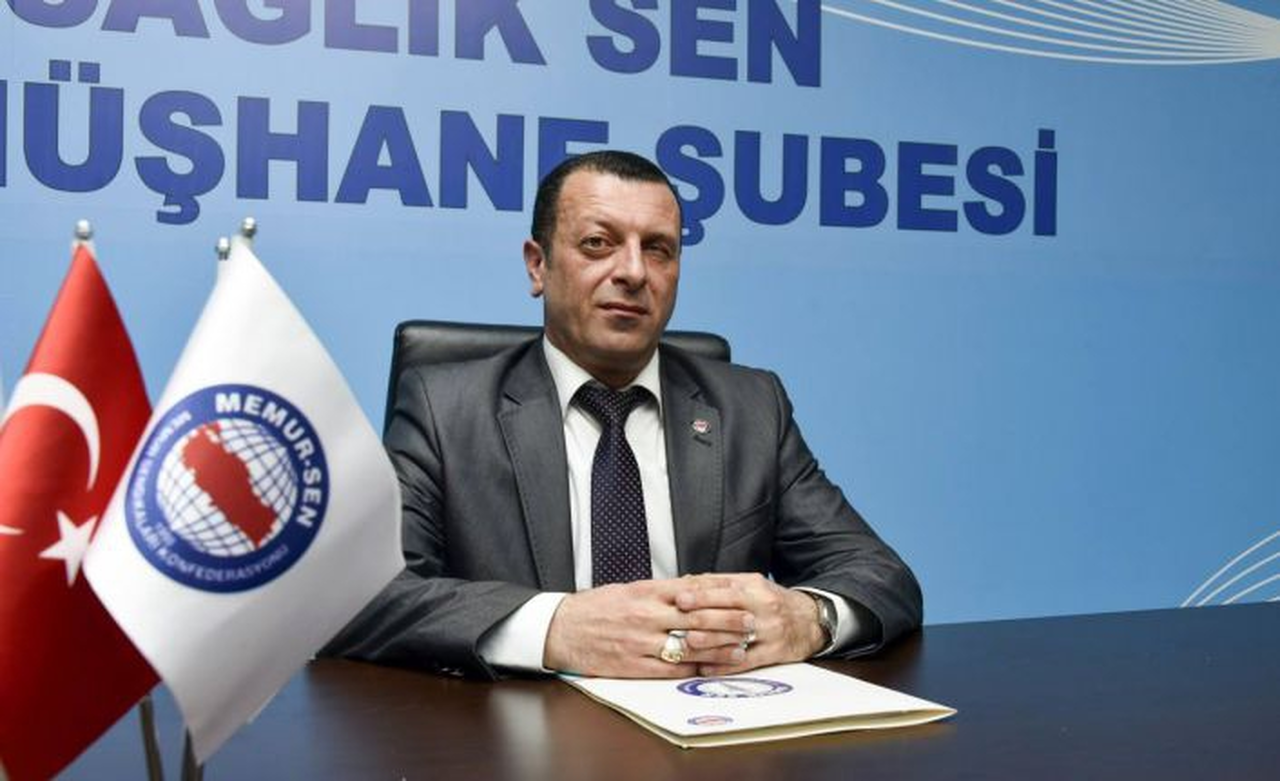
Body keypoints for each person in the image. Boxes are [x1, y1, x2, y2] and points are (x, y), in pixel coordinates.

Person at [324, 150, 921, 679]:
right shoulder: (444, 407)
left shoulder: (750, 407)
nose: (634, 272)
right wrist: (556, 628)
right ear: (537, 265)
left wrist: (808, 618)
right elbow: (364, 599)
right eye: (598, 243)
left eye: (658, 249)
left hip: (712, 731)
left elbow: (880, 575)